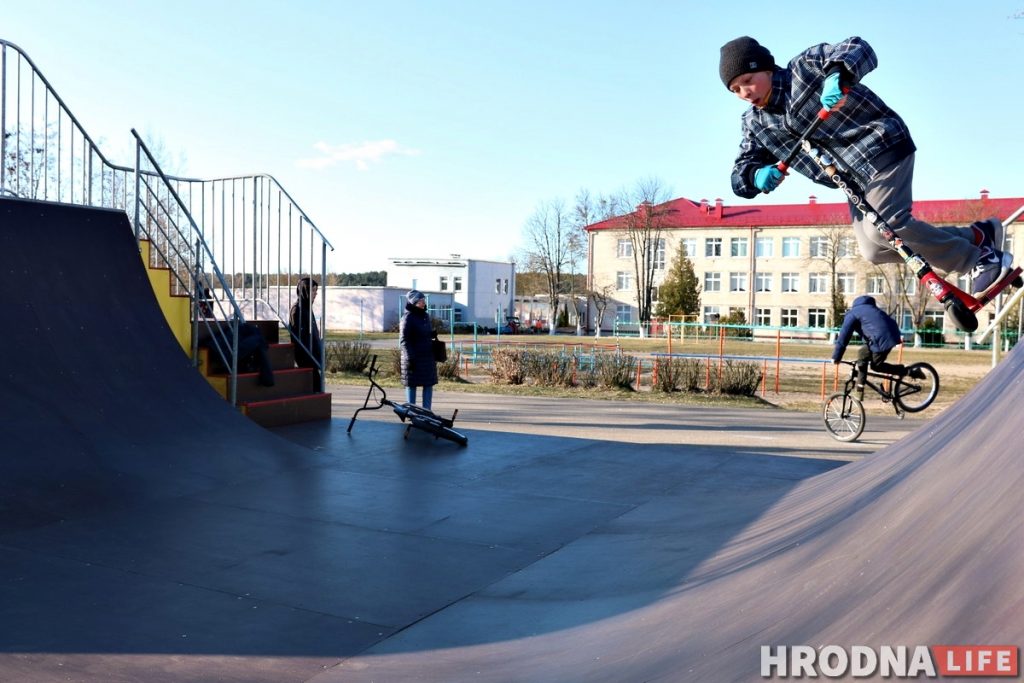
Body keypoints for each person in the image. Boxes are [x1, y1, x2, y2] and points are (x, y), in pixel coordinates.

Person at [719, 36, 1013, 295]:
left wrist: (838, 74)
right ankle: (978, 236)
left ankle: (978, 260)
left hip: (880, 145)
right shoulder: (755, 123)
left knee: (887, 228)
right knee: (873, 249)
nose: (745, 92)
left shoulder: (804, 68)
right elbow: (740, 172)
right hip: (852, 181)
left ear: (767, 68)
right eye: (735, 89)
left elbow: (857, 47)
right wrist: (755, 176)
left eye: (748, 80)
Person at [832, 295, 923, 399]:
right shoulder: (872, 309)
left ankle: (909, 372)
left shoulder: (852, 314)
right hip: (891, 334)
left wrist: (836, 357)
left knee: (873, 363)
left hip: (881, 338)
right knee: (864, 355)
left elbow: (844, 336)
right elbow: (870, 331)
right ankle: (861, 389)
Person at [399, 289, 438, 410]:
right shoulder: (407, 318)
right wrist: (409, 357)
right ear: (414, 302)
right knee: (412, 384)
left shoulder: (425, 316)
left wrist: (430, 334)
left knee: (428, 384)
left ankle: (427, 411)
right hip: (413, 357)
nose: (423, 303)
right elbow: (404, 340)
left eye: (423, 300)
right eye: (421, 301)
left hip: (427, 356)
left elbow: (421, 333)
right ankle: (412, 410)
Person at [289, 277, 321, 369]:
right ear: (305, 290)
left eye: (316, 290)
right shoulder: (297, 309)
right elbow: (299, 337)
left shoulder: (307, 308)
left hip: (314, 356)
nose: (316, 293)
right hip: (306, 357)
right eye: (313, 290)